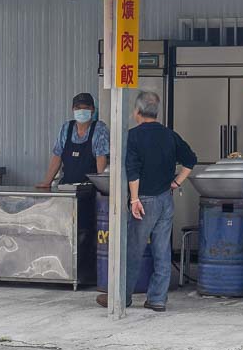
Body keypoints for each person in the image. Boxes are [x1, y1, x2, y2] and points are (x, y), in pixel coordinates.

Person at [97, 90, 196, 312]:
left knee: (133, 250)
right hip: (165, 200)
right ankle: (157, 299)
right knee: (162, 251)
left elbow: (133, 171)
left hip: (144, 201)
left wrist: (133, 200)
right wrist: (176, 182)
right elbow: (191, 159)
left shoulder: (133, 137)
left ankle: (122, 297)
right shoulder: (170, 135)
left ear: (137, 112)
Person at [37, 93, 110, 189]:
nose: (82, 111)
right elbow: (57, 156)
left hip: (89, 189)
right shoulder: (66, 128)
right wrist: (47, 182)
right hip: (66, 187)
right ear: (73, 109)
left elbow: (101, 159)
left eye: (86, 108)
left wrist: (102, 188)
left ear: (92, 110)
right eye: (78, 108)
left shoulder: (100, 129)